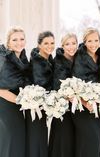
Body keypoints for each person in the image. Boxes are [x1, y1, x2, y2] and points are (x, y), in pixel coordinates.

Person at [72, 27, 100, 157]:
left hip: (95, 105)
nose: (93, 44)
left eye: (96, 40)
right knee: (91, 139)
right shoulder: (79, 57)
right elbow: (76, 84)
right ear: (84, 42)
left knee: (96, 140)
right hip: (81, 106)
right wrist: (85, 102)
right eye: (89, 41)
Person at [0, 27, 31, 157]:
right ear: (8, 43)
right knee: (10, 141)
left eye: (22, 39)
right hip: (6, 108)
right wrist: (22, 101)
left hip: (17, 107)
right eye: (15, 40)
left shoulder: (23, 59)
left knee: (18, 141)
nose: (19, 42)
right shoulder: (4, 59)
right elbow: (1, 90)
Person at [26, 31, 55, 157]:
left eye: (52, 43)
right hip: (35, 107)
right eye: (46, 43)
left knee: (41, 139)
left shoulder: (49, 59)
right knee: (36, 140)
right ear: (39, 45)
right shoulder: (38, 62)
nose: (50, 46)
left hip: (43, 106)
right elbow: (41, 85)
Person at [48, 33, 78, 157]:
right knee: (62, 142)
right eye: (67, 44)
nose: (71, 47)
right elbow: (56, 87)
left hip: (77, 109)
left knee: (74, 142)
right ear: (62, 46)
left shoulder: (80, 59)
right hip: (62, 110)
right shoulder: (57, 62)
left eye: (73, 43)